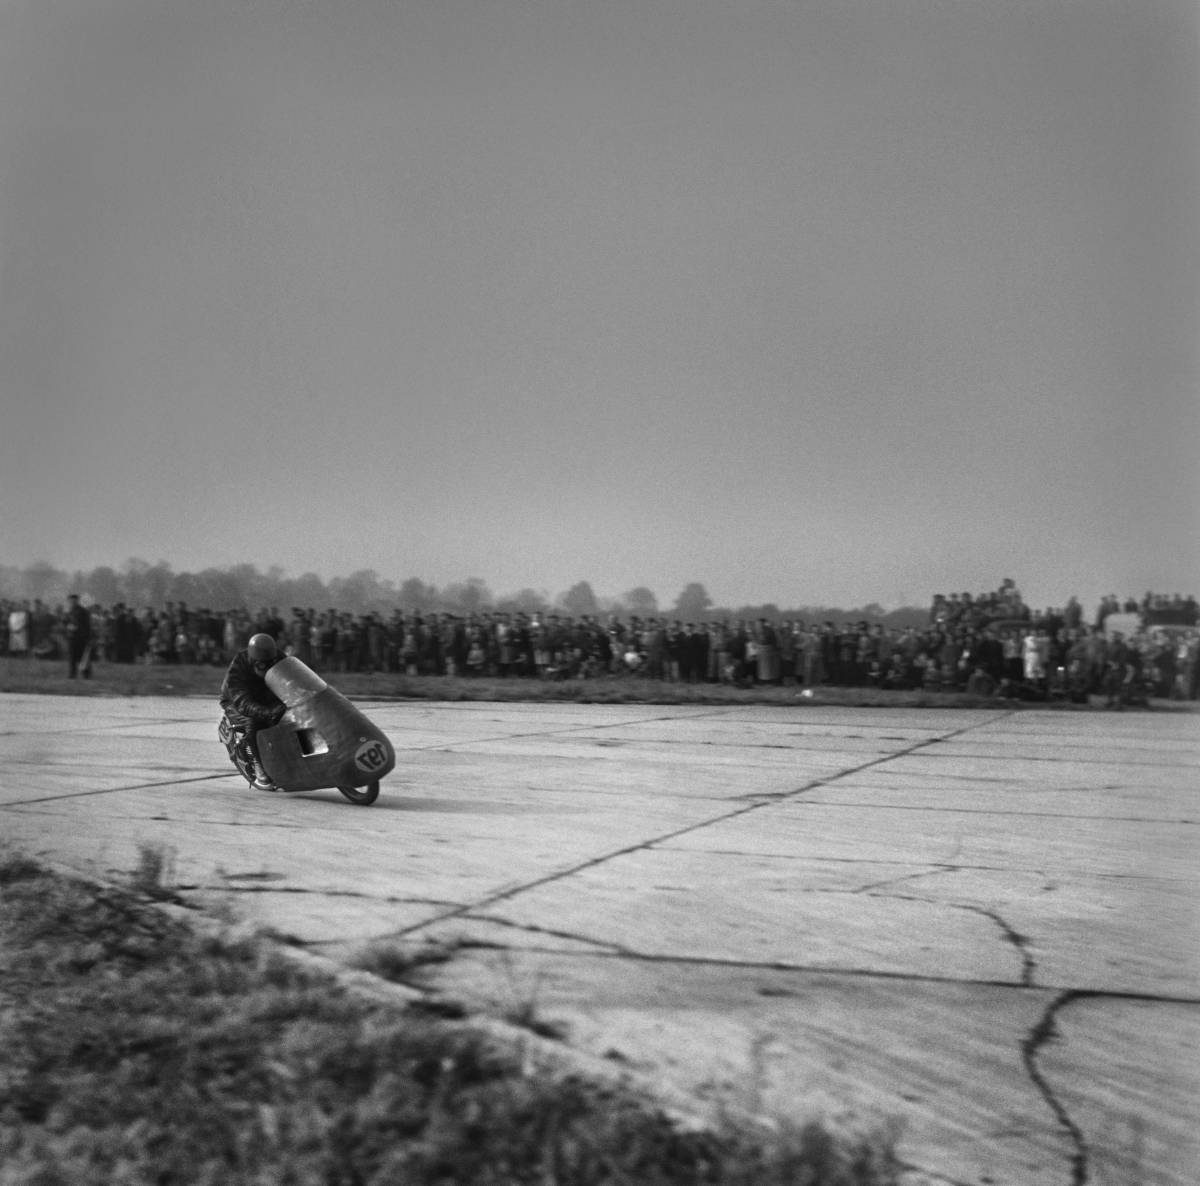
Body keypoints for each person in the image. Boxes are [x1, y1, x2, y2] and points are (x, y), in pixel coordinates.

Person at [220, 633, 286, 790]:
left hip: (265, 694)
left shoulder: (279, 658)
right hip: (235, 701)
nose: (269, 668)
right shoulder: (238, 669)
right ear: (253, 662)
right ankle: (260, 766)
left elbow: (296, 677)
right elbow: (244, 704)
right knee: (254, 720)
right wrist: (267, 713)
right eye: (264, 665)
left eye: (272, 663)